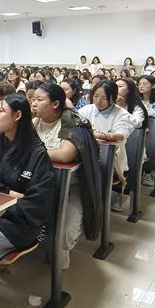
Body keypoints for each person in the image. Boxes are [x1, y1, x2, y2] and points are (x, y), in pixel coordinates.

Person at [0, 93, 54, 272]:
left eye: (1, 111)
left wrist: (1, 202)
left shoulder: (37, 154)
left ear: (17, 115)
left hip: (17, 225)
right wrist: (9, 194)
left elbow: (36, 204)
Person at [31, 83, 101, 270]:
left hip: (70, 187)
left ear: (55, 104)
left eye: (39, 100)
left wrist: (30, 152)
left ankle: (62, 250)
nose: (33, 103)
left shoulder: (72, 121)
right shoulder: (34, 120)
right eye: (33, 99)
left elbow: (64, 155)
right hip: (36, 183)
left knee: (66, 231)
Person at [77, 81, 136, 212]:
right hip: (87, 152)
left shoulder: (121, 114)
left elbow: (121, 135)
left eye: (104, 98)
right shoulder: (87, 110)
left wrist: (101, 135)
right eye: (96, 96)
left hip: (111, 156)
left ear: (113, 98)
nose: (98, 101)